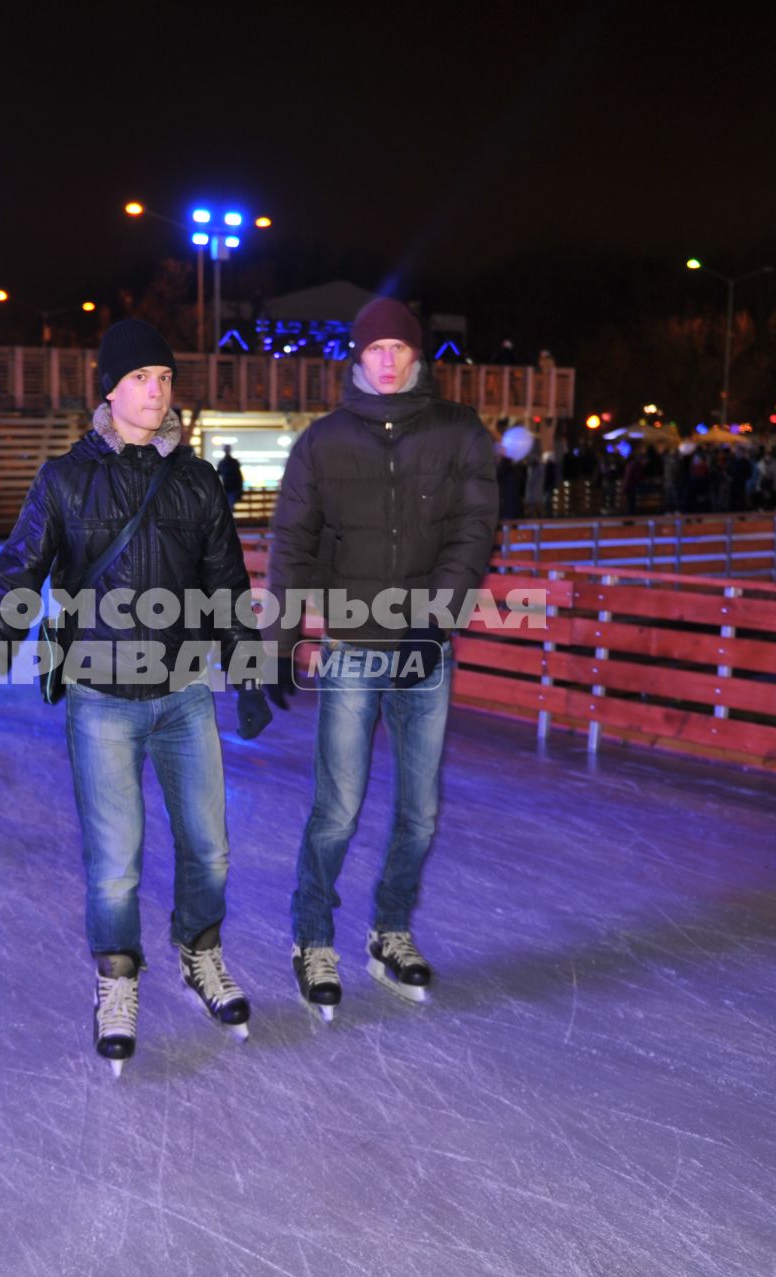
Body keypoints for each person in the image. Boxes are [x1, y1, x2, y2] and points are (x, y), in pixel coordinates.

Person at [0, 319, 271, 1073]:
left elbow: (226, 583)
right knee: (115, 861)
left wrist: (248, 668)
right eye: (140, 379)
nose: (156, 391)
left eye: (165, 378)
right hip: (102, 699)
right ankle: (118, 979)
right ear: (109, 389)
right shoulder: (65, 479)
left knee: (210, 848)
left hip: (187, 693)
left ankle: (199, 951)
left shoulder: (195, 480)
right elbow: (17, 580)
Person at [269, 296, 498, 1018]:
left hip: (425, 648)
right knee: (337, 807)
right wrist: (279, 641)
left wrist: (436, 618)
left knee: (421, 812)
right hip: (352, 645)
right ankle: (312, 935)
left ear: (418, 354)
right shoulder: (324, 442)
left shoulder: (459, 431)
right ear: (358, 358)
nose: (389, 357)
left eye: (400, 346)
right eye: (376, 348)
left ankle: (391, 929)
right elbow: (291, 543)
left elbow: (474, 528)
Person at [215, 444, 244, 508]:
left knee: (228, 508)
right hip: (228, 488)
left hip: (231, 489)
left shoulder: (226, 462)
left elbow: (239, 477)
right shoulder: (224, 462)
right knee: (228, 508)